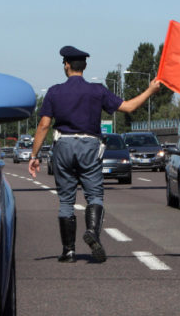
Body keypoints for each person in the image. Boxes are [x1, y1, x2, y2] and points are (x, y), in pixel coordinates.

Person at [28, 45, 162, 263]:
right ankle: (92, 230)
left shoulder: (54, 92)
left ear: (66, 65)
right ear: (85, 66)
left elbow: (44, 125)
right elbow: (128, 107)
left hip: (63, 145)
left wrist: (34, 156)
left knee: (66, 200)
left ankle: (68, 251)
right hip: (90, 145)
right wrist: (150, 91)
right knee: (95, 195)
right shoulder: (97, 91)